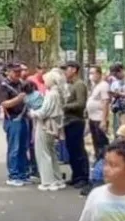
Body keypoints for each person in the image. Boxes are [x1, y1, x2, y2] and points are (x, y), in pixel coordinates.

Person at [29, 70, 66, 191]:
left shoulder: (51, 94)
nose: (44, 82)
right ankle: (57, 178)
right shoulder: (58, 93)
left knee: (43, 152)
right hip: (53, 125)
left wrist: (33, 113)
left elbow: (44, 112)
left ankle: (47, 181)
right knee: (51, 152)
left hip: (45, 124)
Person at [0, 63, 29, 186]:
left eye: (19, 71)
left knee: (23, 148)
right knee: (14, 149)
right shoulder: (4, 86)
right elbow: (4, 103)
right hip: (13, 119)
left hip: (24, 118)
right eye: (15, 72)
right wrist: (19, 99)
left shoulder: (21, 84)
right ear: (9, 72)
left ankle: (23, 173)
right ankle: (13, 175)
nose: (18, 74)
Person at [62, 61, 90, 189]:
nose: (65, 72)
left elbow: (80, 103)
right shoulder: (72, 85)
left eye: (66, 69)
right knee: (72, 150)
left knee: (78, 149)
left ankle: (82, 177)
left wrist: (64, 107)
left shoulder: (79, 85)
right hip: (69, 121)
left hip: (75, 121)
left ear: (74, 70)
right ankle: (76, 175)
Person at [86, 65, 110, 161]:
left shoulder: (104, 85)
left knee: (101, 141)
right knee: (95, 140)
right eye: (90, 73)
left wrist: (103, 120)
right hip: (92, 118)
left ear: (99, 74)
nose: (91, 75)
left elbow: (105, 102)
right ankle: (98, 159)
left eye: (93, 73)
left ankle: (104, 160)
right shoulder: (95, 86)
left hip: (99, 118)